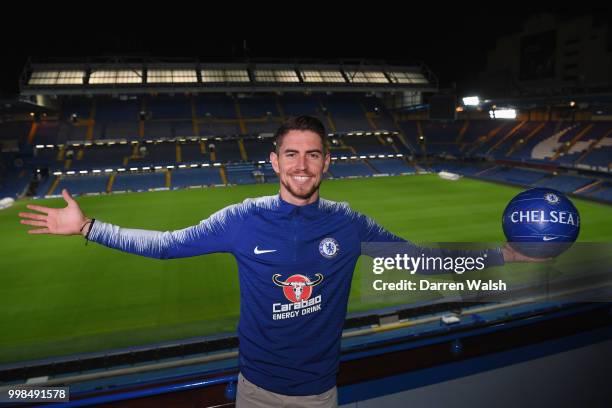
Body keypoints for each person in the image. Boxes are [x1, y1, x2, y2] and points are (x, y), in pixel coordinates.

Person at [19, 116, 538, 408]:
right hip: (256, 391)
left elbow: (418, 259)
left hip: (320, 393)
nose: (302, 165)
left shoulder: (348, 223)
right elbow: (167, 244)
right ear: (274, 162)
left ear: (327, 162)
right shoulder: (242, 218)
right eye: (292, 154)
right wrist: (88, 227)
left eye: (313, 154)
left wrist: (506, 254)